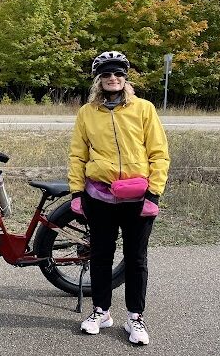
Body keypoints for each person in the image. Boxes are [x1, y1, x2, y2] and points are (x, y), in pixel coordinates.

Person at [67, 51, 170, 345]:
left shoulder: (144, 109)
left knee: (136, 259)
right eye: (107, 74)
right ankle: (101, 311)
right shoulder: (87, 113)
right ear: (99, 80)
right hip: (99, 196)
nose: (113, 78)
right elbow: (78, 155)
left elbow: (159, 154)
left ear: (125, 79)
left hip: (138, 198)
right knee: (101, 256)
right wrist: (77, 192)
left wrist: (154, 194)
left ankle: (135, 316)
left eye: (119, 74)